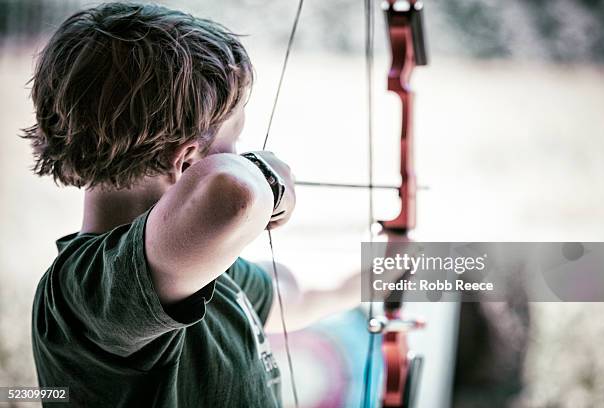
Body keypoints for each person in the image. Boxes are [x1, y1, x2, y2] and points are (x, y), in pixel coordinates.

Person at [25, 3, 363, 407]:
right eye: (234, 142)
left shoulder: (196, 270)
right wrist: (269, 177)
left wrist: (409, 262)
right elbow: (231, 192)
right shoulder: (91, 291)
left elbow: (298, 295)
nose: (243, 155)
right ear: (186, 160)